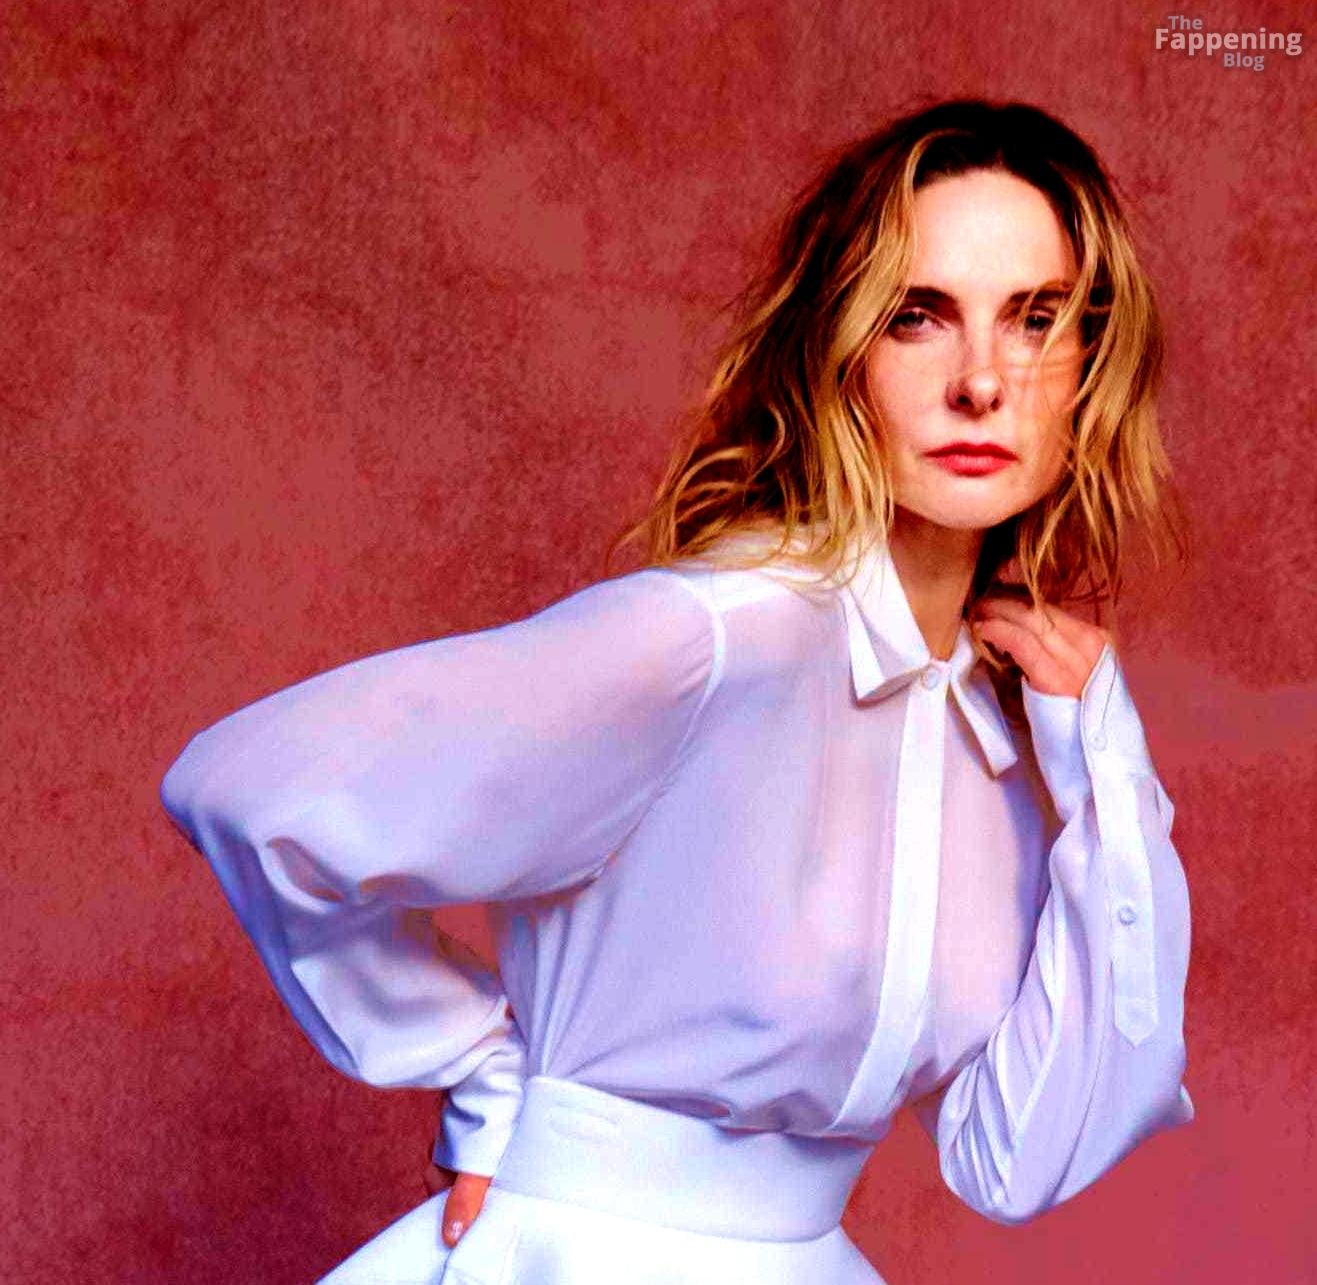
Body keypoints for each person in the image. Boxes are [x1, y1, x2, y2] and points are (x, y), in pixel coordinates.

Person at [159, 96, 1196, 1284]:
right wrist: (478, 1071)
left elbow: (1010, 1161)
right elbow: (257, 787)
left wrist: (1107, 777)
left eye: (1035, 320)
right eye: (918, 316)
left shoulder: (1007, 735)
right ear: (841, 353)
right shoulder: (717, 638)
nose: (981, 381)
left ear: (1090, 364)